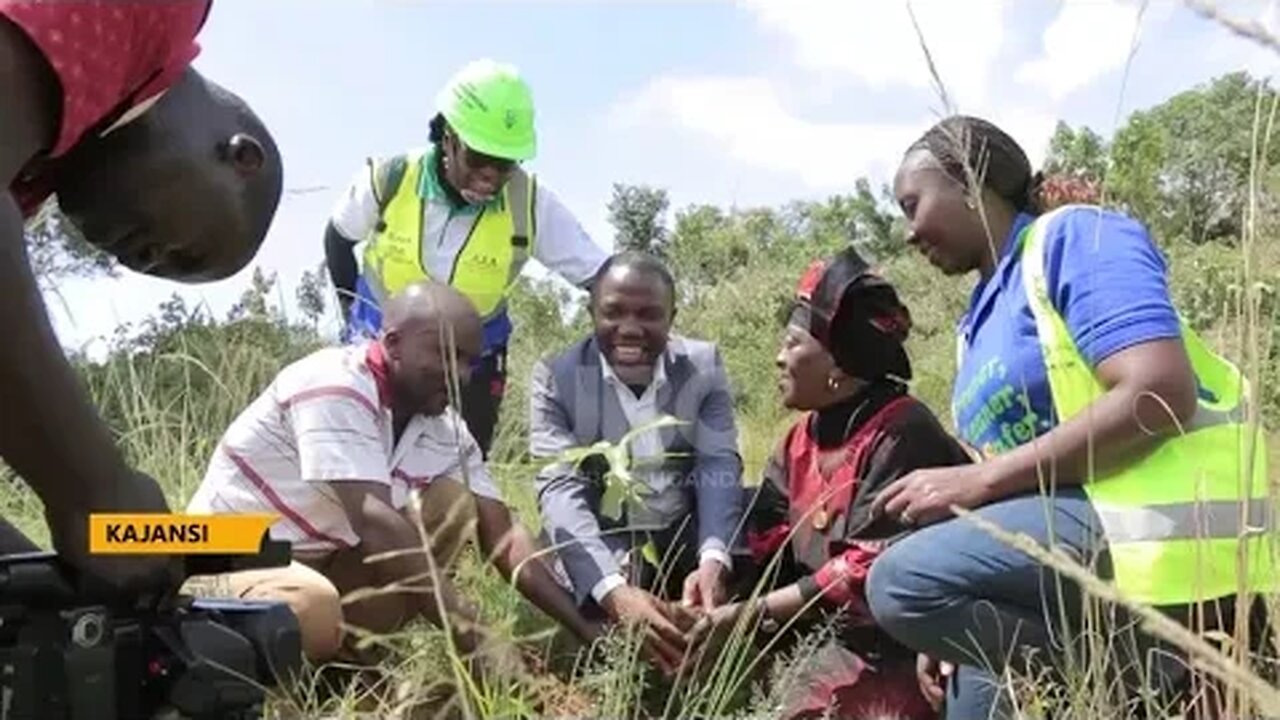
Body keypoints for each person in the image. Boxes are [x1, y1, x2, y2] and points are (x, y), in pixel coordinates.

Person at [863, 115, 1275, 719]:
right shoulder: (976, 324)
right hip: (1068, 550)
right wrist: (951, 622)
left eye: (912, 204)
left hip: (1157, 533)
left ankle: (1154, 675)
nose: (907, 233)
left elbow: (1159, 390)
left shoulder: (1076, 238)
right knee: (963, 681)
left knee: (902, 583)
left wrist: (976, 486)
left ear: (970, 181)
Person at [0, 0, 282, 599]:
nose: (145, 263)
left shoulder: (26, 174)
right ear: (240, 157)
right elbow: (95, 505)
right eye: (187, 255)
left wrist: (50, 606)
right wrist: (97, 494)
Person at [184, 280, 601, 666]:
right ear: (393, 343)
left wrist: (586, 626)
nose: (461, 374)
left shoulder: (445, 428)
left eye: (470, 360)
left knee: (452, 503)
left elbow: (504, 535)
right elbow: (374, 521)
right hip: (226, 556)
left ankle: (346, 664)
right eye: (444, 353)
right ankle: (264, 677)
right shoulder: (335, 382)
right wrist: (480, 638)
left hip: (329, 560)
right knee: (310, 608)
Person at [691, 246, 973, 720]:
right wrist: (716, 577)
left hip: (902, 646)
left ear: (839, 366)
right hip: (827, 638)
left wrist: (748, 616)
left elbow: (865, 570)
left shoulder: (901, 430)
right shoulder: (800, 439)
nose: (779, 359)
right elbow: (766, 541)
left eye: (793, 343)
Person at [325, 58, 608, 458]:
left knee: (460, 471)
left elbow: (601, 277)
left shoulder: (530, 203)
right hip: (380, 345)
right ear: (448, 137)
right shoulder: (389, 179)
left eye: (505, 164)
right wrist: (351, 309)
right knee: (361, 457)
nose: (489, 177)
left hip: (474, 363)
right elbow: (338, 238)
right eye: (477, 158)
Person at [528, 251, 745, 675]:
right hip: (609, 538)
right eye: (613, 313)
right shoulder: (557, 376)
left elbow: (717, 462)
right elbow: (559, 488)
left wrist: (715, 557)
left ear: (672, 316)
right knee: (584, 607)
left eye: (649, 314)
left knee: (754, 544)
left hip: (684, 528)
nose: (629, 329)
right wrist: (613, 590)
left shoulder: (703, 365)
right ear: (591, 310)